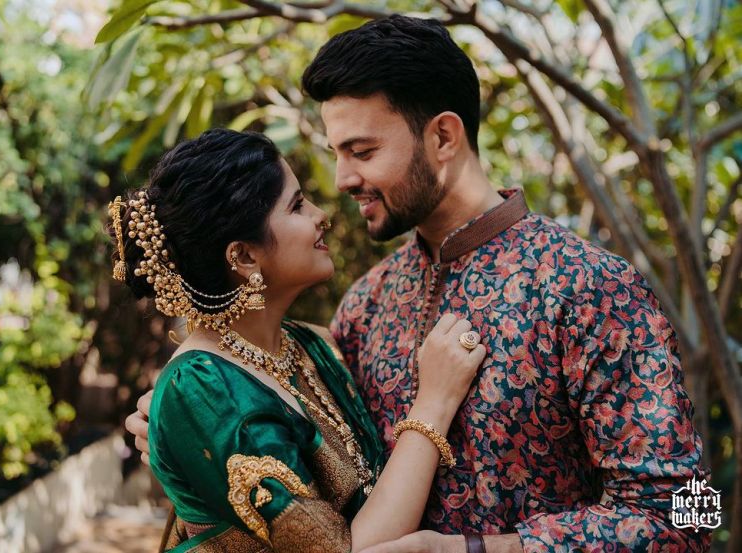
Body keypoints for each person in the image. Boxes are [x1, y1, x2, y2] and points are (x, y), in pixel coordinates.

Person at [128, 15, 710, 552]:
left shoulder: (592, 288)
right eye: (336, 153)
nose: (342, 179)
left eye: (362, 151)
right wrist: (193, 434)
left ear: (443, 138)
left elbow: (693, 516)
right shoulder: (366, 305)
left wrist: (480, 550)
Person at [109, 128, 488, 553]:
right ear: (245, 256)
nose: (322, 213)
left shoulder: (309, 342)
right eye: (297, 206)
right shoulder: (202, 389)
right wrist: (434, 403)